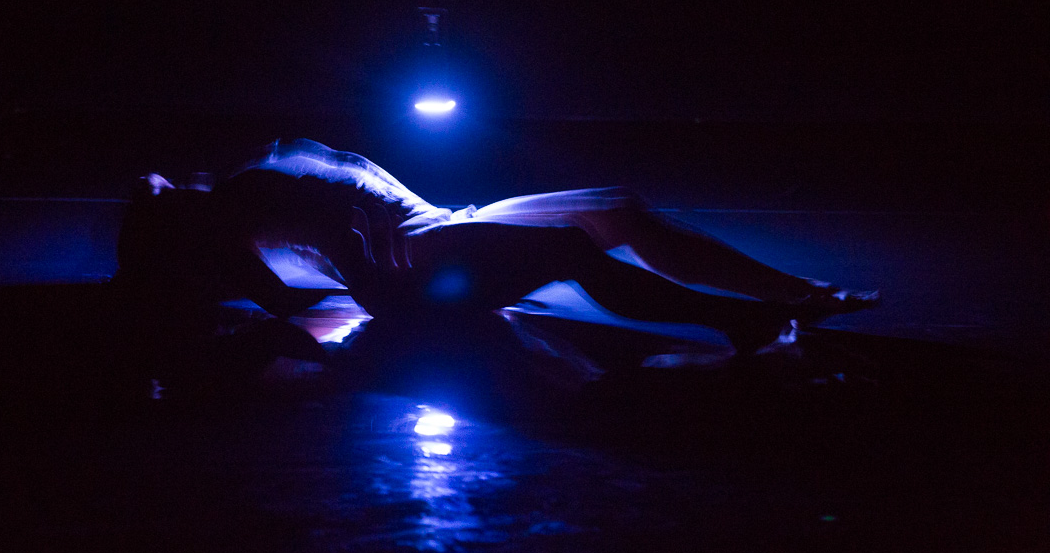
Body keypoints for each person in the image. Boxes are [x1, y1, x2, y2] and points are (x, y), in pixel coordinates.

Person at [116, 139, 879, 354]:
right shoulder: (237, 216)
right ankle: (735, 321)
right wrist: (378, 294)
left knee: (615, 206)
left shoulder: (242, 176)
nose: (154, 182)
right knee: (567, 248)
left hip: (444, 218)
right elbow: (321, 280)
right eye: (154, 198)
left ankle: (792, 290)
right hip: (423, 252)